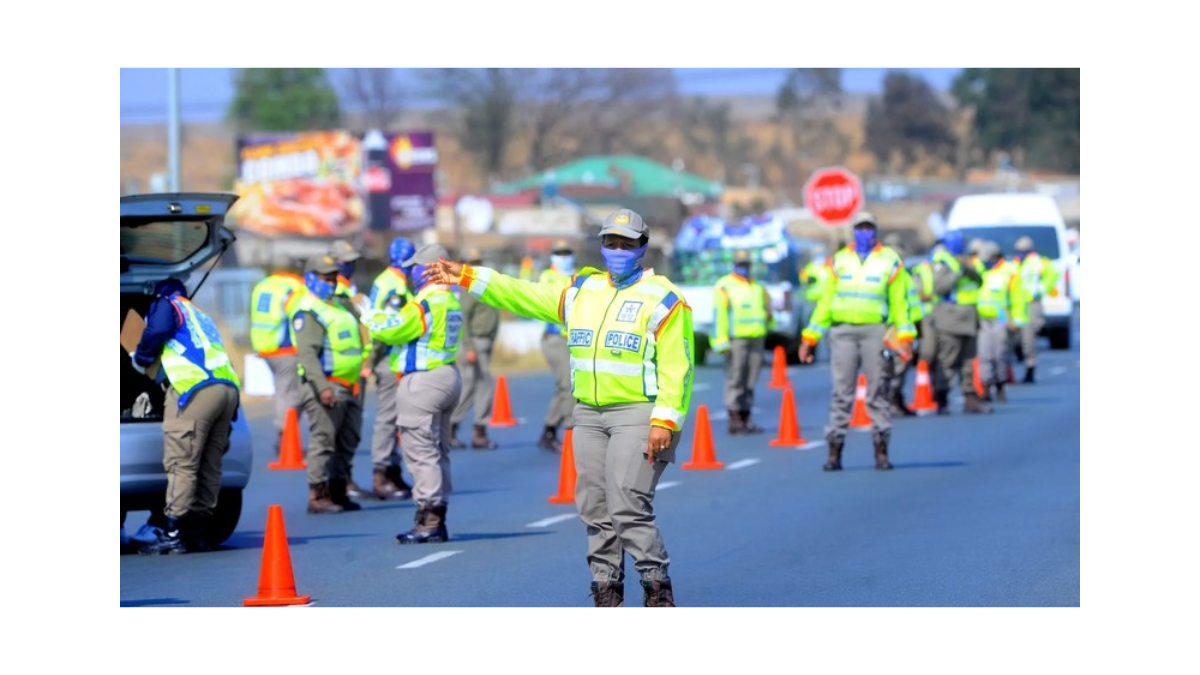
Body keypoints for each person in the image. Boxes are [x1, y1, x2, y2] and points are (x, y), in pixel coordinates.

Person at [424, 207, 695, 607]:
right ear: (601, 246)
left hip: (638, 414)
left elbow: (678, 367)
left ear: (642, 247)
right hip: (587, 413)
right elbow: (523, 293)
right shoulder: (582, 292)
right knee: (594, 506)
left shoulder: (665, 299)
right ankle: (606, 589)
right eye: (610, 242)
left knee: (627, 504)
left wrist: (664, 422)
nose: (617, 250)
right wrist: (467, 276)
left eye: (626, 244)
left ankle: (656, 586)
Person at [130, 278, 242, 554]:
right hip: (226, 389)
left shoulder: (167, 305)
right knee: (209, 463)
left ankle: (172, 532)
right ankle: (199, 531)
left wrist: (141, 357)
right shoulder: (201, 315)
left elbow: (158, 331)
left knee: (183, 464)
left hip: (194, 390)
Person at [798, 212, 914, 472]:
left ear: (876, 231)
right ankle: (834, 451)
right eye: (860, 228)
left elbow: (899, 304)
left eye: (869, 228)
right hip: (843, 332)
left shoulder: (890, 261)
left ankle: (881, 450)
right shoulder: (839, 261)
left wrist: (905, 337)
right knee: (842, 392)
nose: (865, 232)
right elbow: (825, 303)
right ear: (853, 231)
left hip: (875, 330)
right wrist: (810, 336)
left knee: (877, 391)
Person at [366, 244, 463, 544]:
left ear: (428, 268)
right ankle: (438, 514)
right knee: (438, 450)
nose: (411, 272)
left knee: (421, 452)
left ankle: (428, 520)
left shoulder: (425, 302)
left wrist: (368, 316)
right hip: (447, 375)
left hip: (422, 381)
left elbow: (393, 330)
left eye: (415, 266)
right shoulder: (451, 300)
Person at [292, 254, 367, 514]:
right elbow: (308, 354)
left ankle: (338, 490)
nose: (332, 283)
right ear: (311, 278)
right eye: (326, 278)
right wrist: (322, 387)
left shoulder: (339, 305)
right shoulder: (309, 311)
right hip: (327, 386)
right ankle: (317, 494)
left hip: (350, 384)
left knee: (349, 438)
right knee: (324, 440)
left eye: (334, 277)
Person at [364, 237, 417, 500]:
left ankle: (392, 471)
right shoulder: (394, 288)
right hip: (388, 358)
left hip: (389, 357)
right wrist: (371, 361)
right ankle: (381, 473)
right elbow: (384, 329)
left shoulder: (385, 281)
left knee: (395, 417)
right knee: (388, 418)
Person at [248, 260, 306, 457]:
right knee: (290, 394)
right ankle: (284, 436)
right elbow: (301, 316)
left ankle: (285, 436)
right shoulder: (294, 287)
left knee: (283, 390)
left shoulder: (262, 285)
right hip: (285, 348)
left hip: (264, 347)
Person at [711, 248, 773, 434]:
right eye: (740, 264)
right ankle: (734, 417)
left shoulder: (757, 287)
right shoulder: (725, 286)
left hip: (756, 338)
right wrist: (721, 341)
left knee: (751, 379)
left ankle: (746, 417)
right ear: (734, 265)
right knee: (735, 378)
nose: (744, 268)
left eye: (746, 264)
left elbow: (767, 311)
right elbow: (719, 315)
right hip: (736, 339)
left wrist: (769, 324)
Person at [327, 239, 370, 498]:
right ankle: (329, 486)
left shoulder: (352, 292)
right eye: (346, 261)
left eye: (353, 261)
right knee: (332, 431)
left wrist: (367, 360)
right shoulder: (328, 295)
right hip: (333, 372)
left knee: (351, 431)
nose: (351, 265)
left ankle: (344, 478)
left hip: (356, 370)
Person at [930, 229, 990, 414]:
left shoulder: (970, 260)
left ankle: (970, 398)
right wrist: (958, 272)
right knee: (948, 361)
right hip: (950, 318)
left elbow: (980, 281)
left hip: (970, 318)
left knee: (968, 362)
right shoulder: (943, 262)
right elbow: (939, 288)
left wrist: (968, 268)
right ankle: (942, 398)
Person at [449, 247, 500, 450]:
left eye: (477, 262)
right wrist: (469, 347)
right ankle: (452, 428)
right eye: (471, 262)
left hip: (483, 341)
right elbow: (463, 319)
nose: (475, 266)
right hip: (473, 343)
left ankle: (479, 430)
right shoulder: (468, 287)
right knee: (470, 386)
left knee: (482, 386)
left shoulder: (480, 285)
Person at [536, 239, 576, 452]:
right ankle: (570, 430)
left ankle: (549, 429)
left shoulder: (576, 275)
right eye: (559, 253)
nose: (564, 257)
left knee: (565, 385)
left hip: (574, 338)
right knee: (569, 386)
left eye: (567, 252)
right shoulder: (549, 276)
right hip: (556, 338)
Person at [975, 240, 1027, 404]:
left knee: (999, 354)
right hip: (982, 318)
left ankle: (1001, 385)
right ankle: (986, 386)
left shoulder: (1009, 272)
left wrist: (1017, 320)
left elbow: (1017, 298)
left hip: (1002, 318)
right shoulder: (980, 269)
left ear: (996, 257)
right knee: (984, 354)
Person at [880, 233, 922, 417]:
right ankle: (890, 401)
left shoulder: (903, 272)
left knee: (900, 364)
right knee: (895, 365)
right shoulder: (888, 271)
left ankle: (895, 399)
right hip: (892, 326)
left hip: (905, 325)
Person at [1012, 235, 1060, 383]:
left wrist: (1041, 289)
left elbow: (1053, 275)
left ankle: (1030, 369)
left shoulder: (1038, 262)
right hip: (1017, 306)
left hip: (1032, 305)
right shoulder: (1016, 263)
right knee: (1017, 340)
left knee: (1029, 340)